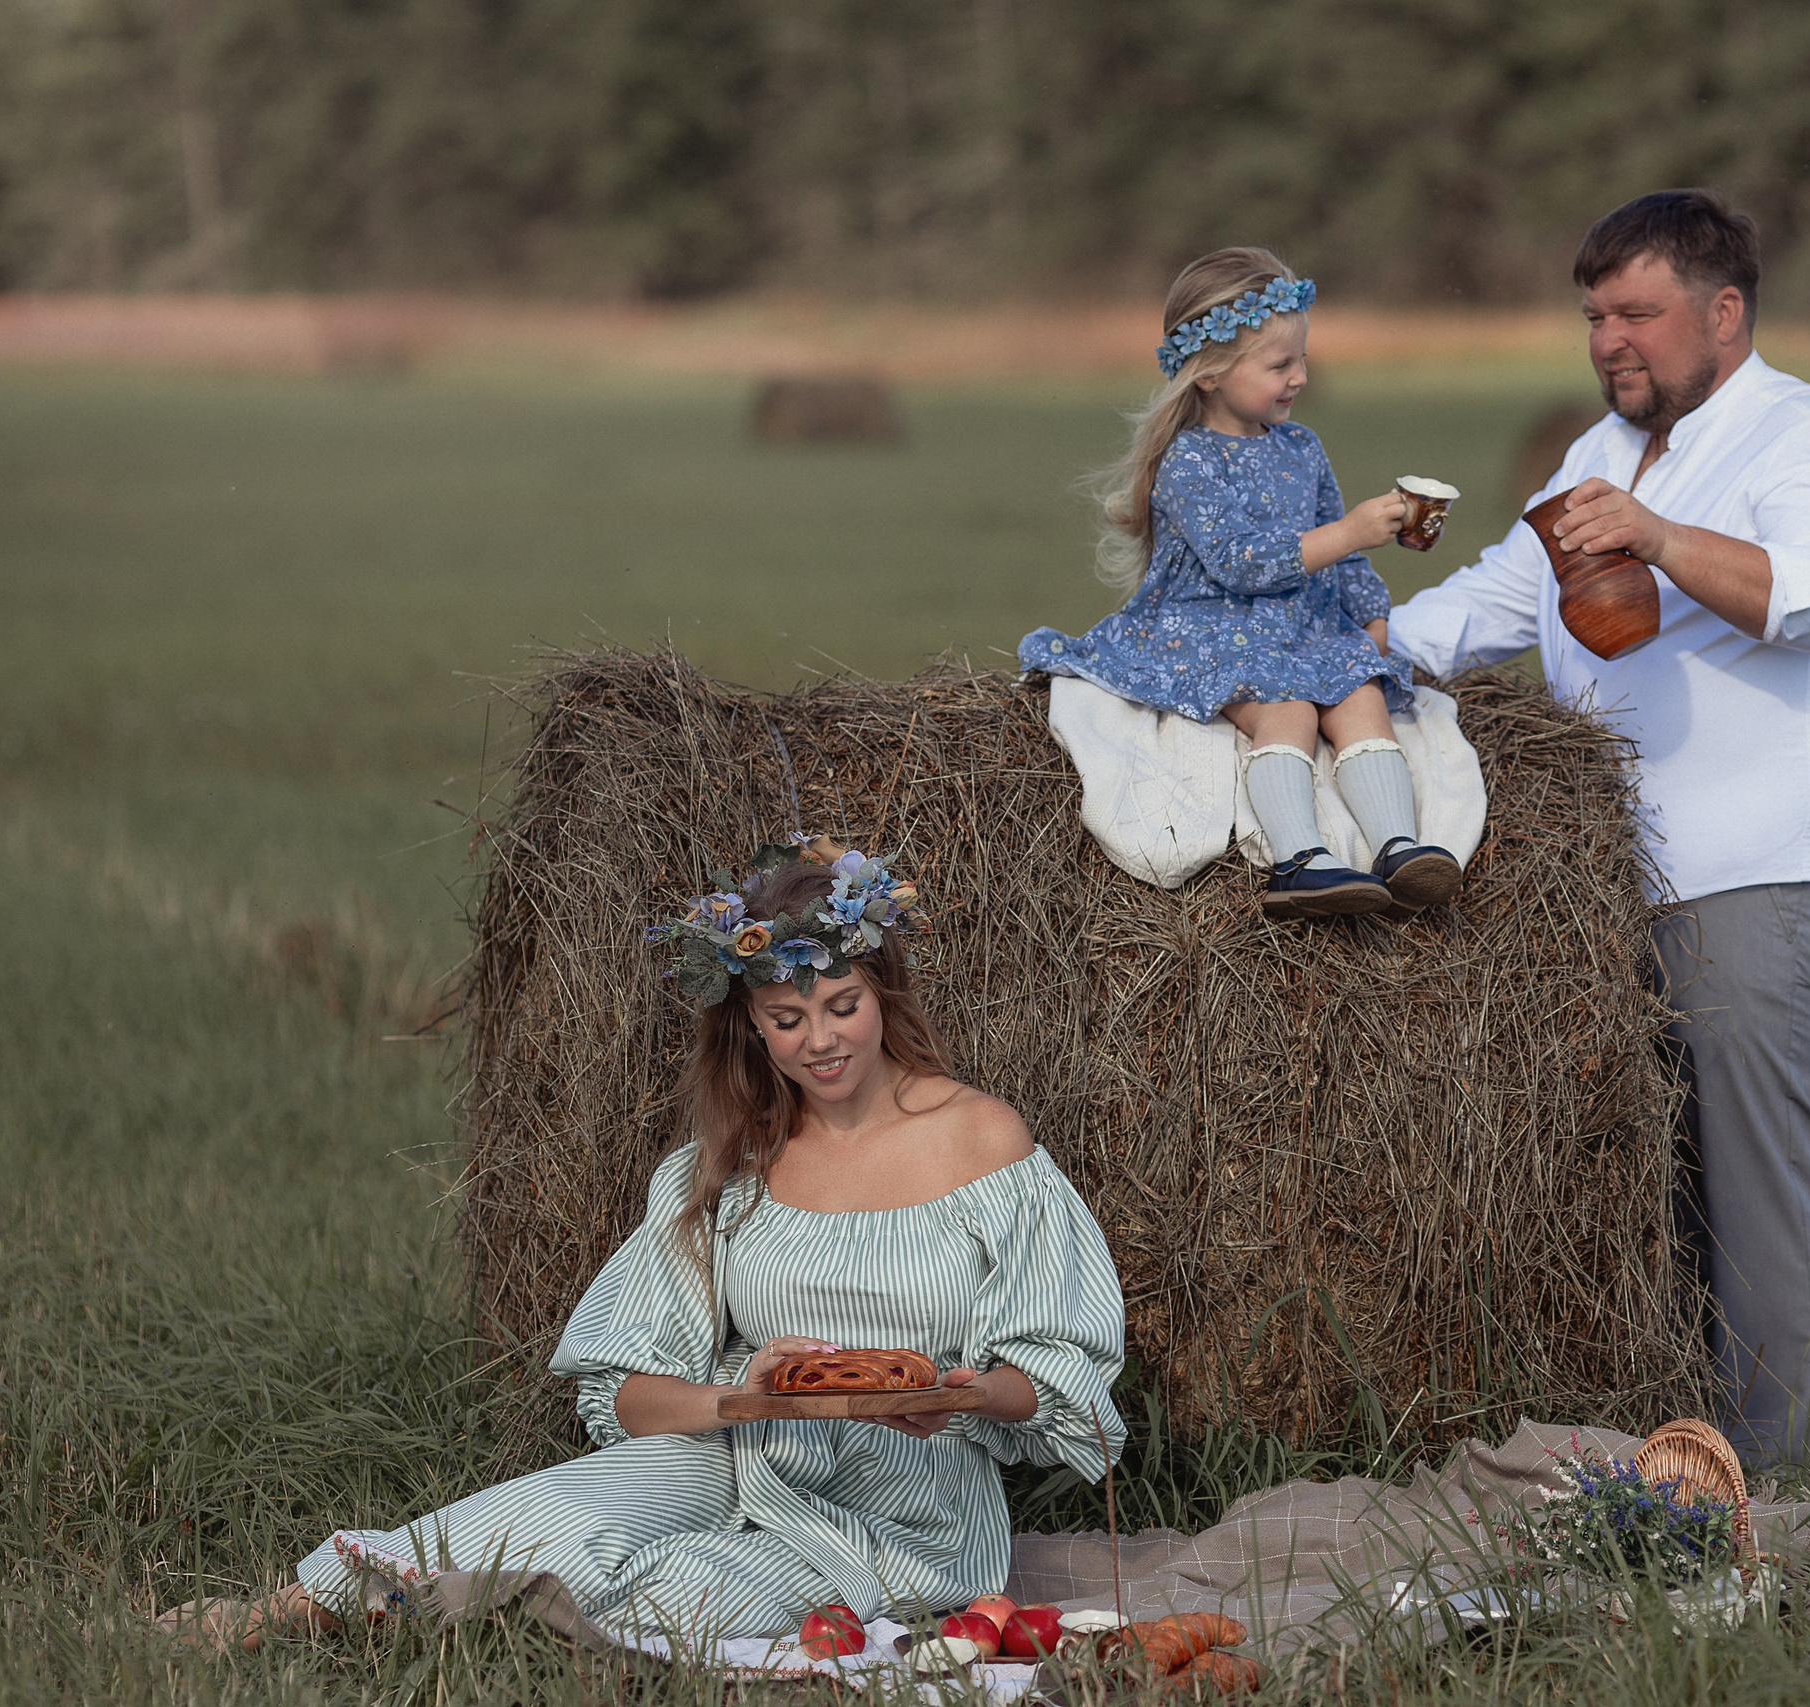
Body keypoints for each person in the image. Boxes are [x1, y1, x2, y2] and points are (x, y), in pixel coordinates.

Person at [162, 838, 1127, 1648]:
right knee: (565, 1506)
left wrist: (959, 1391)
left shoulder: (979, 1140)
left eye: (843, 1006)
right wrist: (743, 1394)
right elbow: (619, 1389)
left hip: (909, 1505)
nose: (821, 1042)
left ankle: (479, 1633)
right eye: (787, 1021)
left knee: (678, 1600)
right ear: (751, 1027)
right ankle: (300, 1608)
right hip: (745, 1443)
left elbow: (1061, 1370)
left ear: (882, 991)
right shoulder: (732, 1166)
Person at [1386, 190, 1810, 1467]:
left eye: (1638, 311)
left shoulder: (1802, 435)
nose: (1611, 339)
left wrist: (1662, 540)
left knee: (1758, 1192)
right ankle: (1681, 1472)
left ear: (1723, 313)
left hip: (1766, 867)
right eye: (1594, 315)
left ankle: (1782, 1498)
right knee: (1668, 1193)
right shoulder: (1598, 461)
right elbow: (1489, 601)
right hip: (1631, 882)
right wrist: (1316, 656)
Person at [1019, 247, 1462, 920]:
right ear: (1210, 373)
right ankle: (1300, 860)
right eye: (1281, 364)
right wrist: (1347, 531)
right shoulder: (1188, 462)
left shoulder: (1301, 448)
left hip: (1297, 625)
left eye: (1303, 359)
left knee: (1361, 695)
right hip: (1210, 627)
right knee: (1287, 708)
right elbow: (1238, 562)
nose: (1301, 377)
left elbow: (1341, 559)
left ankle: (1399, 846)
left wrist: (1370, 621)